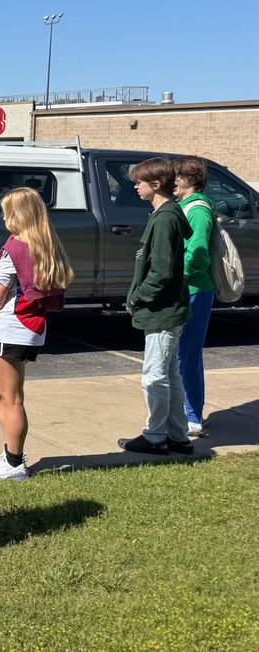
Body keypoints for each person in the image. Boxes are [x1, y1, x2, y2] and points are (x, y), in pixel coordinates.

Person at [0, 187, 73, 480]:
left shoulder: (16, 246)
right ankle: (9, 452)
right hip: (29, 327)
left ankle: (15, 463)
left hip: (11, 328)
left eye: (7, 212)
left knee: (12, 397)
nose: (4, 217)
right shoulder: (43, 243)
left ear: (18, 215)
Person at [118, 157, 193, 456]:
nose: (135, 186)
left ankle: (155, 436)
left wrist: (138, 297)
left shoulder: (164, 219)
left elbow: (160, 272)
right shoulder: (167, 215)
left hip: (163, 310)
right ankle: (178, 435)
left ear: (156, 184)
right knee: (170, 373)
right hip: (169, 307)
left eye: (139, 181)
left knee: (154, 376)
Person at [172, 155, 215, 437]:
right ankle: (188, 411)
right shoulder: (184, 206)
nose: (174, 180)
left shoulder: (197, 210)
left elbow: (197, 256)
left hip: (194, 290)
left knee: (186, 354)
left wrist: (171, 278)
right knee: (183, 354)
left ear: (192, 179)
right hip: (188, 289)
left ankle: (191, 415)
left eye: (179, 175)